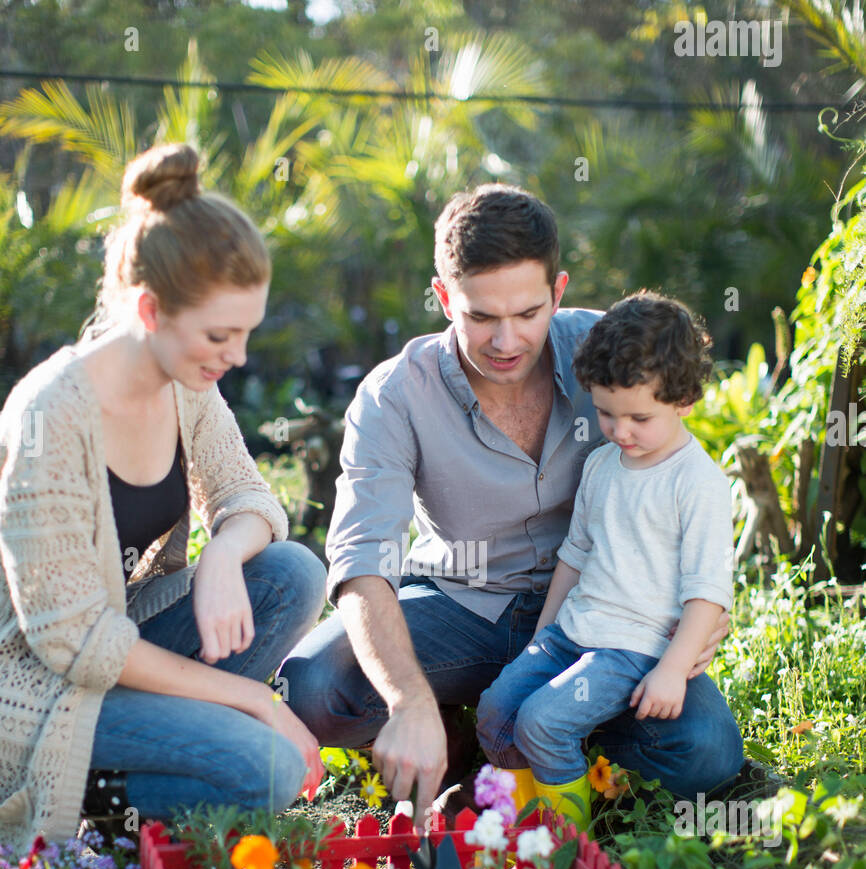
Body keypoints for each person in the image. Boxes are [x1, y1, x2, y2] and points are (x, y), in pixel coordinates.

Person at [278, 185, 742, 825]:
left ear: (558, 290)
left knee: (705, 750)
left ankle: (541, 748)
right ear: (445, 299)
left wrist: (693, 622)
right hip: (461, 607)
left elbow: (677, 467)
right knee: (311, 686)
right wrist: (409, 699)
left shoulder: (608, 353)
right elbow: (363, 563)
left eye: (527, 313)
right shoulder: (395, 395)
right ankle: (456, 733)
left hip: (602, 616)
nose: (505, 340)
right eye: (480, 317)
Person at [0, 143, 324, 853]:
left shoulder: (185, 385)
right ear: (150, 309)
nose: (237, 356)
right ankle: (90, 797)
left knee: (292, 573)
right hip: (36, 684)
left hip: (122, 649)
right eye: (220, 335)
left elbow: (249, 497)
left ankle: (170, 752)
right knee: (267, 767)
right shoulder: (50, 416)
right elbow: (71, 639)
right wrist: (251, 698)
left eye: (246, 333)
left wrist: (222, 558)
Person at [475, 292, 734, 826]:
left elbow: (707, 592)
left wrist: (672, 670)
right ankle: (521, 819)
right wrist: (542, 637)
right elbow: (575, 556)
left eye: (639, 417)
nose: (620, 432)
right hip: (571, 633)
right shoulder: (601, 465)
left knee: (542, 722)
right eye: (606, 414)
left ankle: (564, 842)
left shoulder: (697, 482)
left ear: (685, 399)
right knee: (497, 711)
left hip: (632, 649)